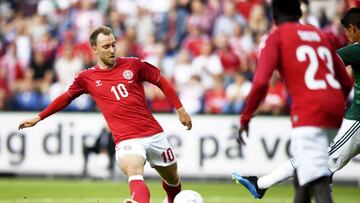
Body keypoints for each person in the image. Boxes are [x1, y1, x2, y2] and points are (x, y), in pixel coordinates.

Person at [18, 26, 192, 203]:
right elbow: (65, 98)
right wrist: (39, 117)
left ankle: (171, 200)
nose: (112, 50)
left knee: (172, 179)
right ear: (94, 49)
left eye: (113, 45)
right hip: (126, 139)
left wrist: (180, 109)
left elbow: (160, 80)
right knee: (133, 170)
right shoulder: (86, 78)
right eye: (106, 46)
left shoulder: (133, 64)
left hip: (153, 133)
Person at [233, 7, 360, 200]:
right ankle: (260, 184)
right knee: (311, 169)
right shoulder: (319, 35)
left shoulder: (277, 37)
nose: (346, 34)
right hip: (333, 111)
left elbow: (328, 66)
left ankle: (260, 184)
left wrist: (246, 117)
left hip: (344, 116)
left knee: (319, 168)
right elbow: (343, 80)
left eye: (347, 30)